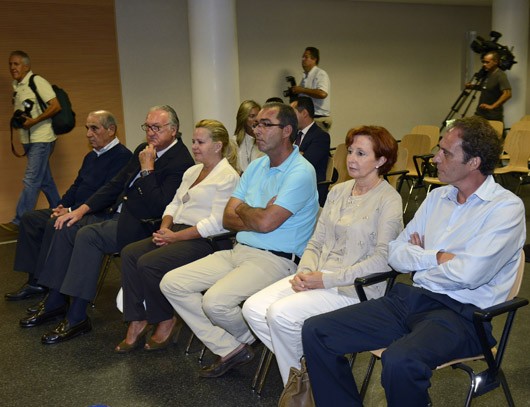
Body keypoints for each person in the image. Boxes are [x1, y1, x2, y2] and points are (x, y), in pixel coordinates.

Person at [302, 116, 525, 407]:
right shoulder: (437, 198)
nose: (435, 158)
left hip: (463, 315)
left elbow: (470, 274)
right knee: (316, 331)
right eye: (439, 149)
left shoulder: (505, 208)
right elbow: (396, 255)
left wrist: (419, 260)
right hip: (412, 298)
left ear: (473, 162)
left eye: (446, 153)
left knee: (400, 361)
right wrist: (438, 257)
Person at [160, 102, 319, 378]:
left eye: (265, 124)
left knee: (215, 302)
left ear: (287, 131)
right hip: (240, 249)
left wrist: (245, 210)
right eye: (256, 124)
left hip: (276, 259)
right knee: (172, 283)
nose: (257, 130)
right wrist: (257, 212)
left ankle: (256, 337)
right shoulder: (257, 166)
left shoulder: (301, 172)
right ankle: (234, 346)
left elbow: (266, 223)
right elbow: (227, 218)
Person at [19, 105, 195, 345]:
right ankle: (55, 300)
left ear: (173, 130)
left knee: (88, 236)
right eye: (147, 127)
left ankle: (77, 316)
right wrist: (80, 210)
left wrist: (147, 171)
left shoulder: (181, 161)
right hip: (116, 214)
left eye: (157, 127)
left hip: (143, 225)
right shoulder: (143, 149)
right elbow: (115, 184)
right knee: (65, 225)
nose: (150, 132)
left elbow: (160, 206)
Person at [242, 125, 403, 384]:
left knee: (279, 314)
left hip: (356, 288)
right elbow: (316, 241)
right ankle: (311, 378)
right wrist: (304, 273)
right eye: (350, 151)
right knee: (253, 308)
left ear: (381, 161)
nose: (351, 158)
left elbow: (383, 260)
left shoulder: (389, 200)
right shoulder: (338, 191)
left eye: (361, 153)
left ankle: (302, 386)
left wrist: (325, 280)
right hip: (318, 276)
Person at [115, 119, 240, 353]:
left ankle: (165, 318)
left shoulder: (228, 176)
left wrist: (175, 237)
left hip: (205, 240)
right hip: (176, 232)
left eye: (200, 142)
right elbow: (173, 204)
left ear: (217, 146)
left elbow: (217, 223)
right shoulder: (192, 171)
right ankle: (137, 319)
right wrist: (166, 229)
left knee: (149, 263)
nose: (194, 146)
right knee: (130, 253)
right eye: (193, 141)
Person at [4, 110, 132, 302]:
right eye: (87, 128)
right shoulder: (91, 157)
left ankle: (52, 288)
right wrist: (61, 205)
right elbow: (76, 186)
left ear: (111, 130)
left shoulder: (123, 157)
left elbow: (108, 195)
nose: (88, 134)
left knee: (56, 223)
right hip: (74, 210)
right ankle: (35, 282)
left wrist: (71, 211)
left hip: (97, 214)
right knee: (30, 219)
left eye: (94, 128)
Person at [1, 51, 61, 233]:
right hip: (29, 140)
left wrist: (34, 121)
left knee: (31, 179)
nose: (13, 67)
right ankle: (60, 209)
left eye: (16, 64)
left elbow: (55, 106)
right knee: (45, 180)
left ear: (26, 66)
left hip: (41, 139)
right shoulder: (17, 86)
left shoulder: (37, 81)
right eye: (10, 64)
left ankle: (19, 221)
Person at [291, 96, 331, 206]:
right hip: (294, 183)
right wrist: (298, 154)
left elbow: (305, 163)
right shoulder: (293, 134)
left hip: (310, 187)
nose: (290, 118)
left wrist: (292, 155)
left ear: (304, 113)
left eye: (292, 113)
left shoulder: (321, 136)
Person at [289, 47, 331, 131]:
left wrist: (302, 90)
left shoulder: (320, 74)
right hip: (308, 119)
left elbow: (322, 94)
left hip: (319, 119)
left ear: (314, 59)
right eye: (302, 57)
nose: (303, 59)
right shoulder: (306, 76)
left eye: (306, 57)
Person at [473, 51, 512, 122]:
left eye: (487, 62)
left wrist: (493, 106)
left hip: (492, 116)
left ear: (495, 62)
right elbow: (485, 88)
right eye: (483, 62)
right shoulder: (487, 74)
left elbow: (507, 94)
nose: (484, 64)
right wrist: (471, 86)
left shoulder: (500, 75)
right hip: (480, 113)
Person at [233, 100, 262, 172]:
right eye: (252, 116)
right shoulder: (234, 142)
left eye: (258, 116)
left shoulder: (266, 140)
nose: (256, 119)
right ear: (243, 118)